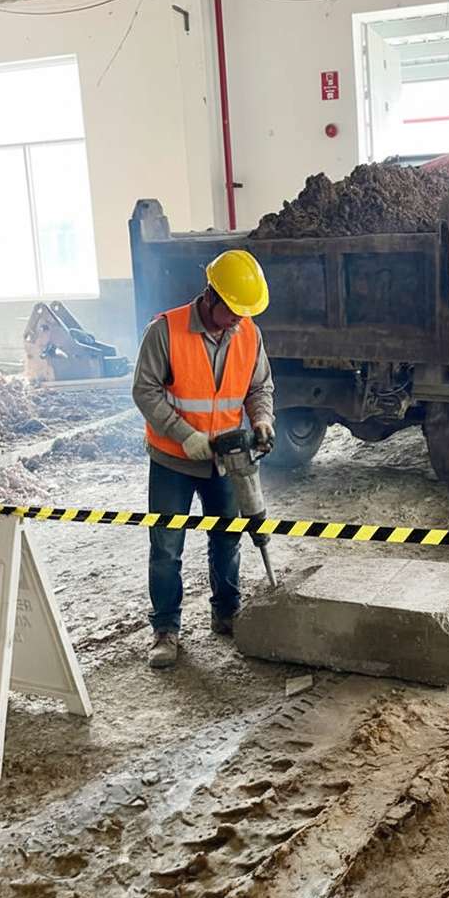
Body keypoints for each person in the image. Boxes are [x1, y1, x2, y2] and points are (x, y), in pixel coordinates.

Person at [132, 248, 275, 669]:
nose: (237, 320)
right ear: (210, 294)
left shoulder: (248, 332)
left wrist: (262, 419)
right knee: (166, 547)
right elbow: (145, 391)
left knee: (227, 538)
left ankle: (226, 613)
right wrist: (185, 435)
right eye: (231, 310)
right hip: (172, 460)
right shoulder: (165, 330)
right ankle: (166, 629)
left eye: (243, 314)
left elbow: (259, 387)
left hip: (224, 462)